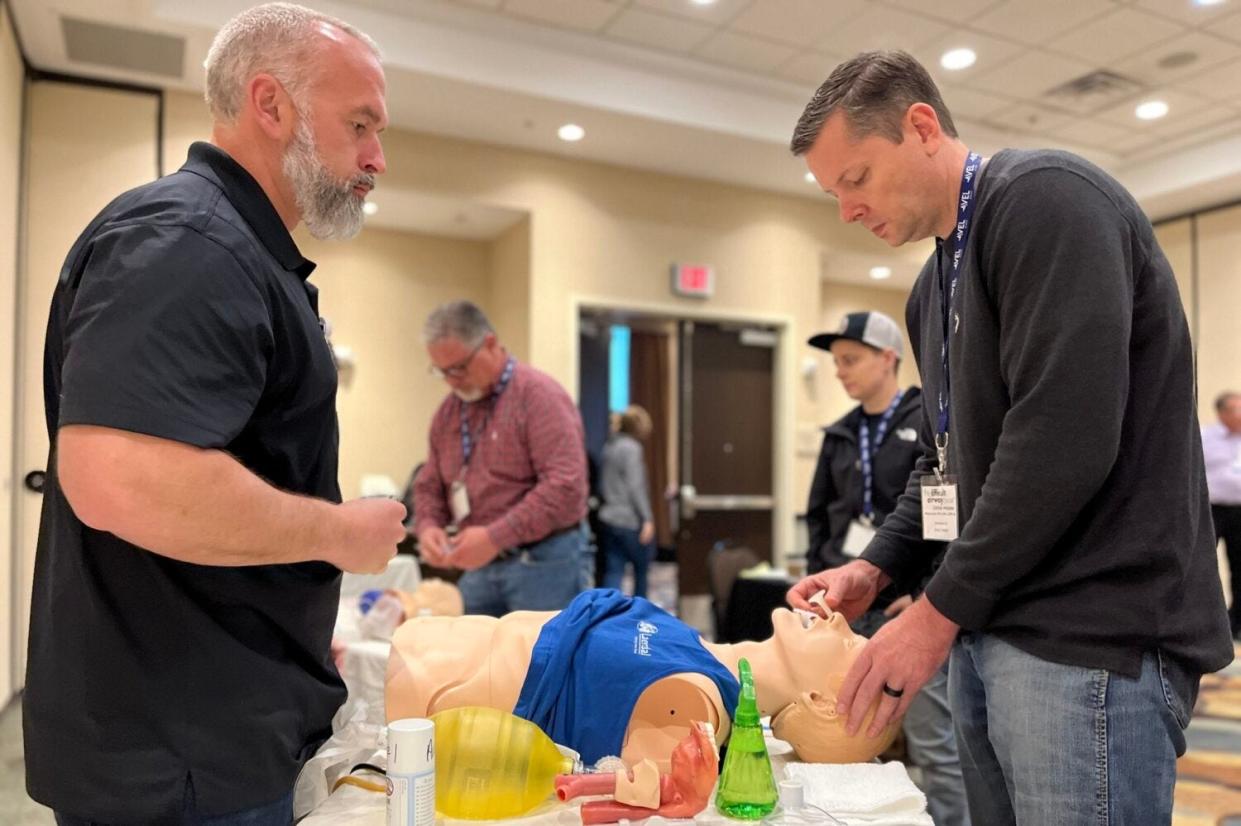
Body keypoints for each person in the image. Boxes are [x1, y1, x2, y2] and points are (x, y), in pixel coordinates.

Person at [786, 49, 1232, 826]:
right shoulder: (932, 287)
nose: (845, 211)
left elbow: (1061, 441)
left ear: (920, 126)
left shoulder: (1045, 202)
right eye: (832, 193)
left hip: (1087, 638)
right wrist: (877, 569)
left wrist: (931, 617)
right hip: (989, 631)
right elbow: (945, 464)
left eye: (853, 180)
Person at [23, 4, 408, 824]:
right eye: (360, 124)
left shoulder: (234, 249)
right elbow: (121, 480)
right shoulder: (190, 240)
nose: (378, 157)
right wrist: (339, 535)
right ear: (270, 105)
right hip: (178, 755)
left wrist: (288, 622)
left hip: (209, 719)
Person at [384, 588, 899, 770]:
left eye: (852, 643)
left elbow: (633, 783)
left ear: (822, 703)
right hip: (435, 646)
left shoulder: (696, 707)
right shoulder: (702, 655)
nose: (836, 616)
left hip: (431, 689)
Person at [807, 309, 969, 825]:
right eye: (836, 363)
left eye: (851, 359)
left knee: (933, 744)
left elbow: (944, 515)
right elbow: (820, 518)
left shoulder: (931, 422)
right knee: (839, 735)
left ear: (888, 358)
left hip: (909, 612)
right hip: (847, 612)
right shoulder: (840, 434)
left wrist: (924, 594)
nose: (841, 371)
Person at [414, 300, 589, 616]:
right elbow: (429, 483)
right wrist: (429, 526)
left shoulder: (539, 397)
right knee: (475, 659)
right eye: (442, 372)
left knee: (538, 661)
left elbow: (565, 487)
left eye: (459, 368)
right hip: (480, 562)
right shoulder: (449, 412)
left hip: (544, 562)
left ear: (490, 344)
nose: (452, 380)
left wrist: (495, 537)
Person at [598, 404, 657, 597]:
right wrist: (647, 518)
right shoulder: (632, 449)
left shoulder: (609, 446)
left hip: (608, 518)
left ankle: (607, 617)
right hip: (629, 520)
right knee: (641, 572)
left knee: (614, 572)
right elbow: (635, 486)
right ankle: (640, 618)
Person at [1204, 391, 1241, 638]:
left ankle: (1236, 622)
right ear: (1222, 413)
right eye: (1236, 409)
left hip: (1240, 511)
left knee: (1239, 568)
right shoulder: (1206, 437)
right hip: (1212, 511)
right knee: (1203, 563)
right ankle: (1204, 621)